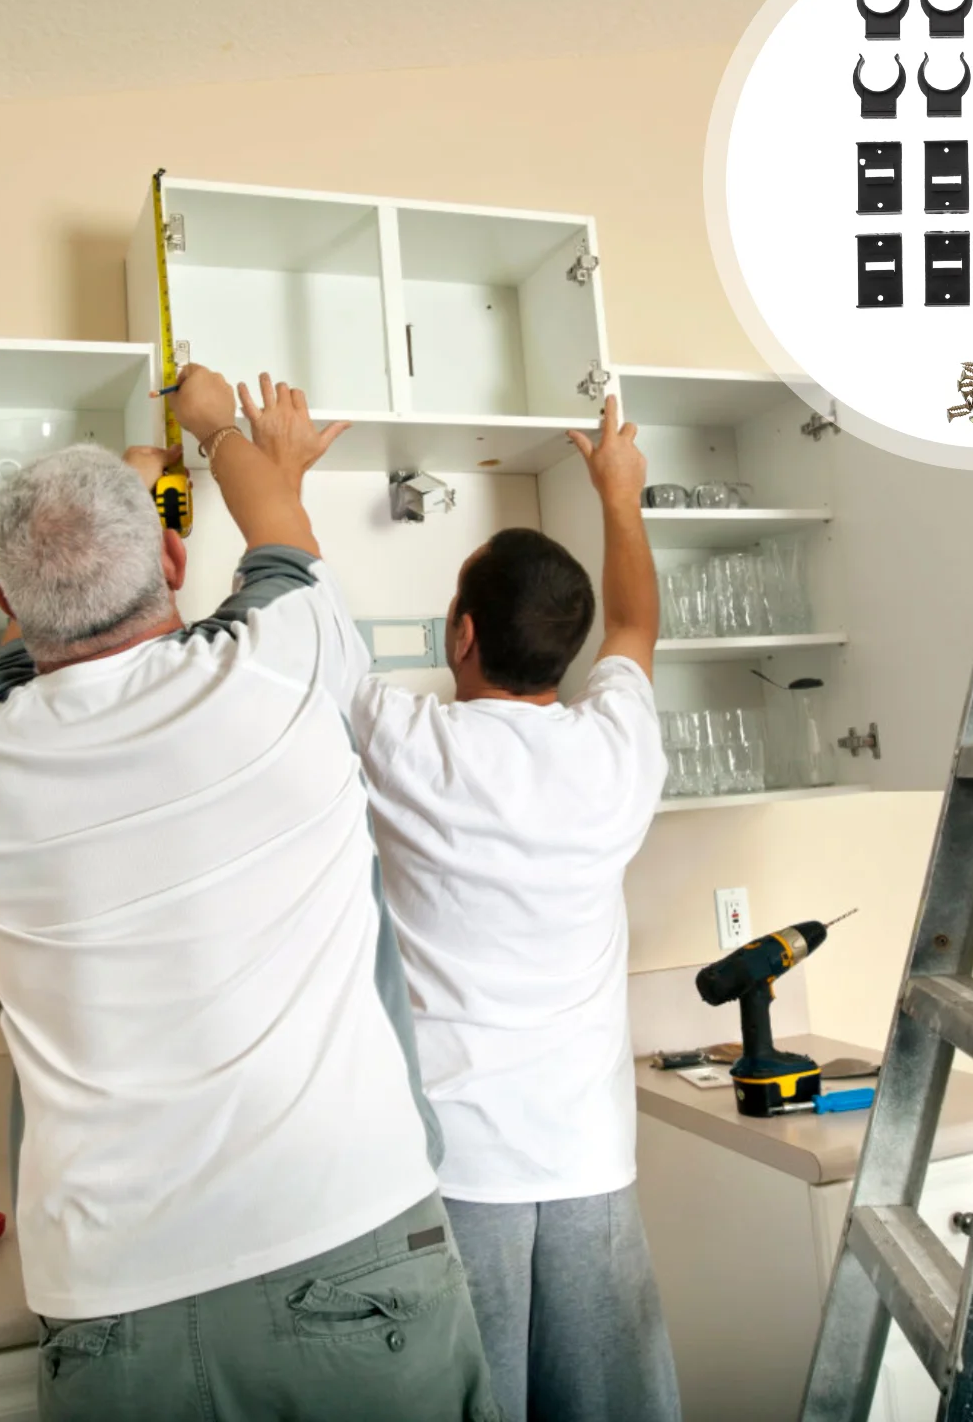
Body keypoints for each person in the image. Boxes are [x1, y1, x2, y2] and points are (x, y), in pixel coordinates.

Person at [0, 365, 499, 1422]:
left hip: (109, 1298)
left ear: (5, 599)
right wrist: (217, 427)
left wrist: (125, 487)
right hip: (346, 1240)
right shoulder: (280, 670)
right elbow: (279, 531)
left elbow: (23, 654)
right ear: (176, 559)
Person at [337, 395, 680, 1422]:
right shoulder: (617, 746)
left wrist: (265, 464)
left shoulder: (409, 743)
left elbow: (309, 628)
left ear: (462, 632)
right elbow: (635, 623)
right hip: (590, 1162)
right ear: (568, 649)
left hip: (455, 1171)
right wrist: (618, 494)